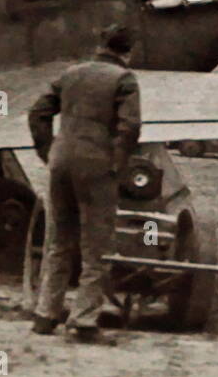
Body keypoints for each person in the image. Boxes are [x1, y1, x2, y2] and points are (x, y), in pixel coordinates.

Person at [27, 24, 142, 343]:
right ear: (127, 52)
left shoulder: (71, 73)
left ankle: (45, 315)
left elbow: (38, 112)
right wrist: (116, 164)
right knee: (97, 247)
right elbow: (130, 127)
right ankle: (83, 320)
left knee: (59, 241)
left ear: (101, 44)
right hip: (96, 165)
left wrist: (47, 151)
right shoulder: (124, 79)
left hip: (61, 162)